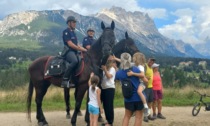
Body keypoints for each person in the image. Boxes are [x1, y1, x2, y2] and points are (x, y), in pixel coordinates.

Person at [115, 53, 144, 126]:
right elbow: (142, 76)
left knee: (127, 116)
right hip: (138, 97)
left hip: (128, 98)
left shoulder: (119, 73)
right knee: (138, 117)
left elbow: (116, 79)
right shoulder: (135, 69)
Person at [61, 16, 87, 88]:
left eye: (75, 22)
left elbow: (77, 44)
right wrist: (80, 49)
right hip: (69, 51)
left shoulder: (73, 33)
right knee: (74, 61)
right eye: (73, 22)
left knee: (82, 61)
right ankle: (65, 80)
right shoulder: (66, 32)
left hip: (75, 52)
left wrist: (85, 50)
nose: (75, 24)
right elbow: (70, 44)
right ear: (69, 23)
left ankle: (74, 79)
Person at [101, 56, 116, 126]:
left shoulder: (112, 69)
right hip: (104, 88)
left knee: (109, 105)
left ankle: (110, 122)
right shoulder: (106, 68)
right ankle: (107, 120)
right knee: (105, 105)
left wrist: (105, 70)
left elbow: (109, 76)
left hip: (110, 88)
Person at [144, 58, 156, 122]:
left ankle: (148, 115)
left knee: (150, 102)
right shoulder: (145, 66)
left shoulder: (151, 68)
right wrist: (145, 77)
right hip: (145, 87)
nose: (151, 62)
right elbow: (141, 75)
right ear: (147, 60)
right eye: (150, 60)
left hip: (151, 87)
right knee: (145, 102)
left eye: (153, 61)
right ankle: (145, 116)